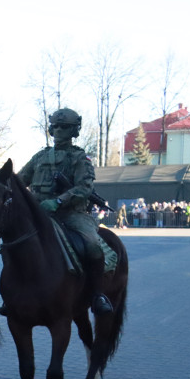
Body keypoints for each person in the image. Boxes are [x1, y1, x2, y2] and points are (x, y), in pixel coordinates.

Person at [17, 107, 112, 315]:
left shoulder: (79, 158)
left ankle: (97, 294)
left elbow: (84, 188)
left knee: (92, 244)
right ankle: (14, 294)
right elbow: (19, 180)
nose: (59, 130)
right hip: (39, 214)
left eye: (65, 127)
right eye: (56, 126)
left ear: (74, 131)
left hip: (72, 214)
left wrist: (59, 201)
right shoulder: (40, 157)